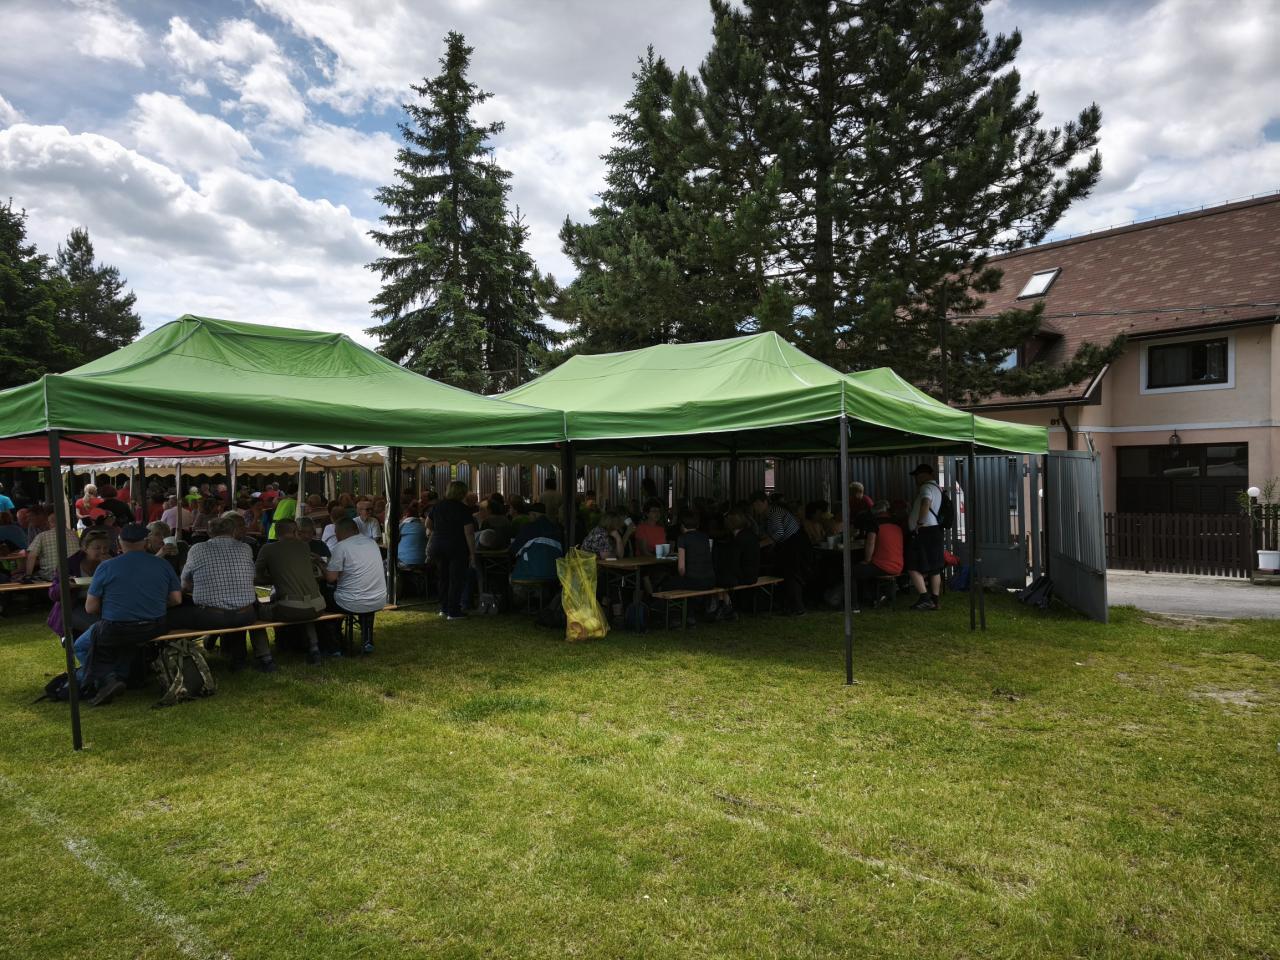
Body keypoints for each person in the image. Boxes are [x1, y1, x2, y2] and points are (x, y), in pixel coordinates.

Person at [75, 523, 183, 706]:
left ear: (119, 543)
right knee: (125, 642)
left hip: (116, 627)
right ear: (146, 542)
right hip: (154, 626)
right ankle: (119, 677)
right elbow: (176, 599)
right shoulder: (162, 564)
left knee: (80, 646)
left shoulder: (107, 566)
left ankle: (108, 679)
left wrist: (116, 609)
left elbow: (90, 608)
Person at [169, 515, 274, 671]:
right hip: (246, 615)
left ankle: (174, 659)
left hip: (212, 618)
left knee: (172, 616)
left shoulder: (197, 549)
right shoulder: (245, 548)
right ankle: (238, 659)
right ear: (233, 531)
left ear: (209, 532)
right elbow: (251, 577)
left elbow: (184, 585)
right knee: (234, 609)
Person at [255, 519, 327, 663]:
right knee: (303, 605)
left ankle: (265, 658)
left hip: (290, 608)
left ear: (276, 533)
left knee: (254, 613)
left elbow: (257, 577)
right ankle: (314, 648)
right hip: (318, 606)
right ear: (295, 532)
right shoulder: (304, 547)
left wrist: (275, 578)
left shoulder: (268, 549)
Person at [326, 517, 387, 652]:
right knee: (363, 596)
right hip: (378, 599)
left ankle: (334, 643)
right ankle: (367, 640)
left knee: (324, 598)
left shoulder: (341, 546)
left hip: (351, 602)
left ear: (340, 532)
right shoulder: (372, 543)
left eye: (336, 534)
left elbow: (331, 578)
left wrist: (320, 564)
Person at [47, 529, 112, 639]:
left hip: (102, 606)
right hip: (75, 605)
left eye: (105, 548)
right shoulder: (69, 564)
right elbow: (53, 594)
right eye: (97, 548)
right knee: (101, 628)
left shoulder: (112, 561)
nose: (102, 551)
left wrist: (112, 566)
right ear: (85, 548)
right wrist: (66, 585)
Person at [752, 492, 810, 615]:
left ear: (765, 502)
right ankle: (790, 606)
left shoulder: (774, 513)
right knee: (789, 575)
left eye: (757, 504)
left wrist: (759, 545)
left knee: (792, 575)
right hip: (790, 544)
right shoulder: (769, 514)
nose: (755, 508)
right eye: (754, 505)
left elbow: (778, 533)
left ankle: (797, 608)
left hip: (794, 544)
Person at [428, 480, 476, 620]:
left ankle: (443, 608)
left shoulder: (438, 506)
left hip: (438, 545)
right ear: (462, 493)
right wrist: (472, 553)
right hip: (456, 546)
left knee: (443, 578)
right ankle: (454, 611)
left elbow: (427, 523)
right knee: (456, 578)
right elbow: (469, 532)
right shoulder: (464, 509)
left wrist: (439, 531)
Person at [905, 463, 945, 611]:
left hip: (924, 531)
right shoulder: (937, 488)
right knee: (935, 567)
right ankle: (934, 600)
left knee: (911, 564)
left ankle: (924, 598)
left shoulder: (926, 487)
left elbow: (926, 503)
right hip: (934, 531)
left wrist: (919, 523)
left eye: (916, 476)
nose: (915, 479)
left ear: (923, 475)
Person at [853, 500, 906, 607]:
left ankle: (853, 604)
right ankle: (874, 596)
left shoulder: (874, 524)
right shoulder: (897, 524)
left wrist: (867, 560)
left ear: (875, 513)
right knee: (865, 570)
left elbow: (870, 543)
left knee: (853, 571)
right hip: (899, 565)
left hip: (883, 566)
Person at [25, 512, 79, 582]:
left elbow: (31, 556)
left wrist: (28, 576)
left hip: (51, 577)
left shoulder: (42, 536)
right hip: (74, 576)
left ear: (49, 523)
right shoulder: (74, 535)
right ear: (65, 522)